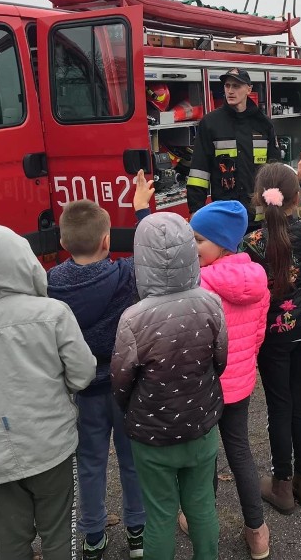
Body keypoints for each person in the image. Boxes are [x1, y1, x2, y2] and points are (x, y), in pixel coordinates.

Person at [0, 226, 97, 560]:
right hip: (50, 443)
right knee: (59, 532)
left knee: (11, 542)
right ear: (25, 262)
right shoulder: (53, 313)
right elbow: (83, 373)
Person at [46, 172, 153, 559]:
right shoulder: (126, 274)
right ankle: (138, 531)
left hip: (82, 388)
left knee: (89, 463)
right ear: (107, 240)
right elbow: (152, 252)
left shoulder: (50, 284)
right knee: (131, 459)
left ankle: (93, 535)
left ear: (62, 242)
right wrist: (142, 210)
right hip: (126, 386)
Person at [112, 213, 227, 560]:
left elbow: (120, 381)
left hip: (152, 436)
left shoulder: (133, 318)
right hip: (201, 426)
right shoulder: (212, 303)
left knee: (160, 514)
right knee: (202, 504)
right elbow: (219, 360)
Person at [242, 151, 301, 514]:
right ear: (297, 199)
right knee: (300, 402)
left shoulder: (251, 242)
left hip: (272, 338)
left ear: (258, 199)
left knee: (279, 404)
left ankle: (281, 483)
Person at [188, 200, 271, 559]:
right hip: (239, 383)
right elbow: (258, 336)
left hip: (205, 385)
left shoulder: (199, 284)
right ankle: (257, 530)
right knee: (240, 453)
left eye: (198, 240)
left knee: (204, 455)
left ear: (222, 244)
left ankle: (198, 519)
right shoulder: (259, 279)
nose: (192, 247)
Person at [187, 68, 281, 230]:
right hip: (226, 215)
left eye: (236, 86)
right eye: (227, 86)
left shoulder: (263, 124)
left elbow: (275, 170)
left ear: (249, 89)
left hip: (259, 217)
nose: (230, 91)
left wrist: (277, 210)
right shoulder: (210, 123)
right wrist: (195, 210)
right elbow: (199, 172)